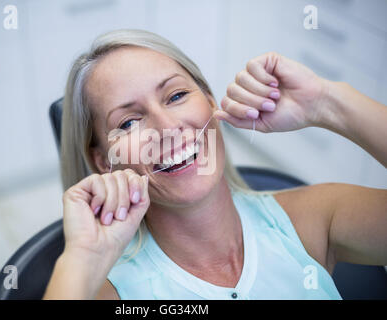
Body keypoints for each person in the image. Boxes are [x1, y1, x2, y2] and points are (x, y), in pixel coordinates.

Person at [43, 29, 387, 300]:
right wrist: (84, 259)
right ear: (104, 161)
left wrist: (329, 104)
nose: (167, 127)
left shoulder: (312, 219)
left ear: (210, 103)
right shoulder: (111, 292)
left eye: (177, 96)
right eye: (130, 122)